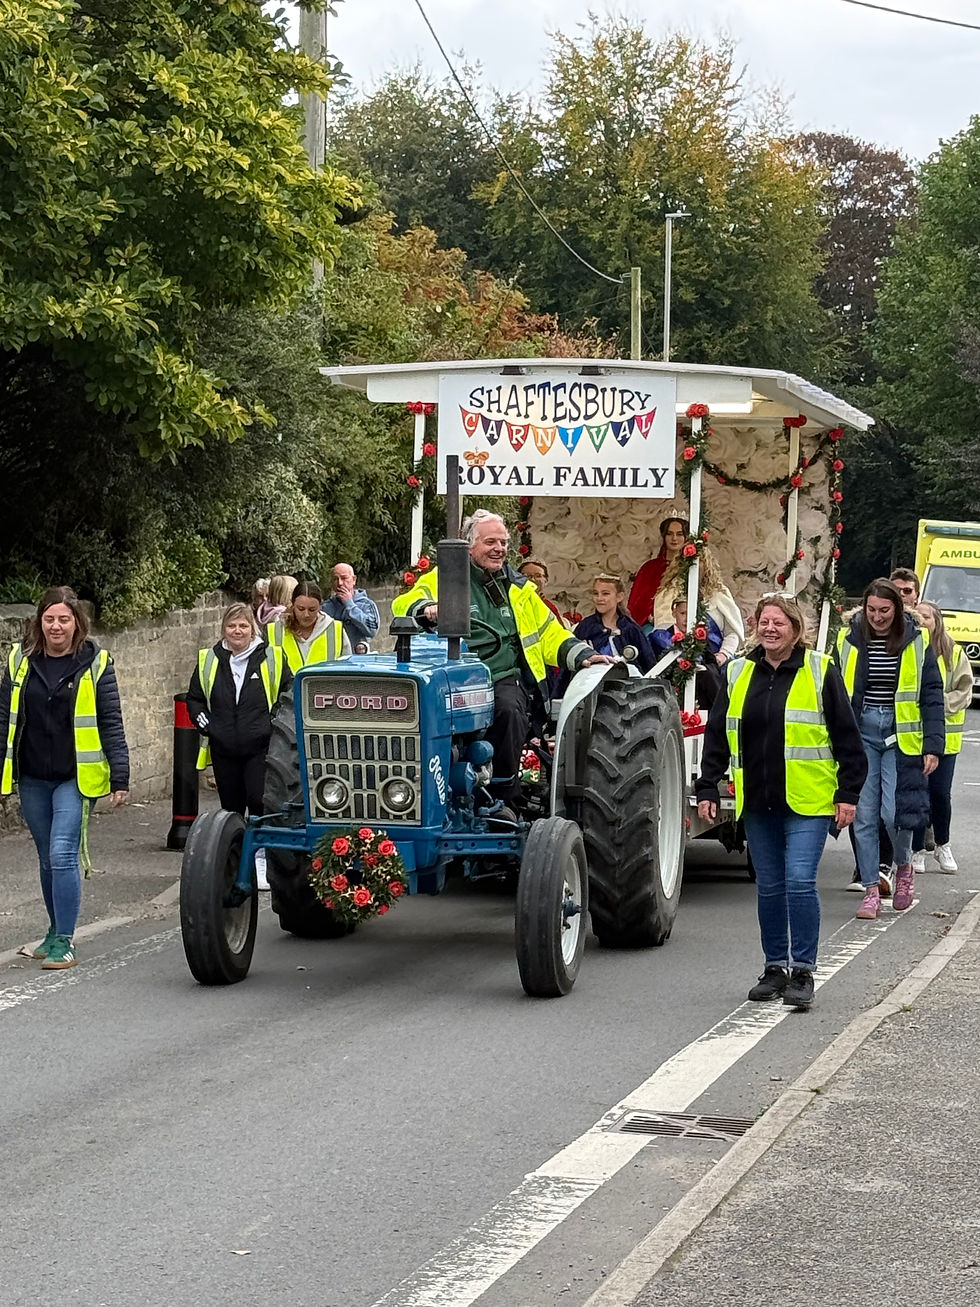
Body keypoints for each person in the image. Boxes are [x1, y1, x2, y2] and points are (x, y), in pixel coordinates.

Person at [696, 594, 866, 1009]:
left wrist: (848, 794)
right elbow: (718, 732)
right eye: (764, 622)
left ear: (795, 629)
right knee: (770, 887)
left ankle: (803, 971)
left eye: (779, 623)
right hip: (758, 799)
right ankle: (775, 968)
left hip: (808, 801)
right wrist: (707, 785)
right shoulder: (738, 671)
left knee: (800, 881)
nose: (770, 629)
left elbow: (847, 736)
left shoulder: (819, 669)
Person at [393, 510, 613, 818]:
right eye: (490, 542)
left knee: (508, 709)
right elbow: (403, 604)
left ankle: (503, 796)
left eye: (503, 542)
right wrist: (427, 608)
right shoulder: (444, 580)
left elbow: (549, 632)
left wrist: (579, 654)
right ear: (469, 546)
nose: (499, 548)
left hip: (501, 675)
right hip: (456, 677)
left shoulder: (519, 589)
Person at [0, 586, 129, 970]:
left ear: (77, 623)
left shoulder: (97, 662)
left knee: (61, 853)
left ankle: (65, 941)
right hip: (32, 776)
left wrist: (120, 776)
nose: (56, 626)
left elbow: (111, 721)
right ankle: (54, 931)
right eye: (49, 619)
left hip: (75, 778)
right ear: (39, 622)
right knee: (46, 858)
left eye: (64, 619)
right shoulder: (19, 660)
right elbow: (3, 719)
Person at [834, 578, 945, 919]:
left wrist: (933, 745)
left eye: (884, 610)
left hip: (900, 736)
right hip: (861, 733)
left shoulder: (917, 639)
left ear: (897, 609)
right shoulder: (847, 638)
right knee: (864, 816)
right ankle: (871, 888)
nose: (877, 617)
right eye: (871, 610)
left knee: (894, 814)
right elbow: (834, 691)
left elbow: (931, 693)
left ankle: (904, 865)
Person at [187, 603, 292, 887]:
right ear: (224, 629)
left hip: (261, 746)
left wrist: (272, 724)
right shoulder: (209, 659)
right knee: (230, 809)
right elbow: (194, 698)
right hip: (224, 747)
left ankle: (261, 860)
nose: (237, 631)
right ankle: (233, 862)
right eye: (231, 625)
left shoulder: (272, 657)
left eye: (243, 626)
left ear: (252, 629)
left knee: (258, 801)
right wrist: (207, 725)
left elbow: (287, 694)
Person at [911, 602, 971, 873]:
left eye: (927, 617)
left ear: (937, 621)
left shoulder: (953, 652)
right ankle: (917, 849)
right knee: (917, 795)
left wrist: (937, 703)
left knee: (939, 794)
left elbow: (964, 690)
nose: (923, 621)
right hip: (915, 736)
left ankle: (942, 844)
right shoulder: (910, 649)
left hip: (946, 739)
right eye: (919, 617)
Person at [654, 545, 744, 662]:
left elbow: (731, 632)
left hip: (718, 660)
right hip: (677, 661)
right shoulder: (667, 593)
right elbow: (662, 635)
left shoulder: (719, 593)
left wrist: (723, 655)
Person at [650, 596, 723, 706]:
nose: (686, 618)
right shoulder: (661, 638)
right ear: (674, 613)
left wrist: (705, 669)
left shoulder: (701, 638)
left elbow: (713, 665)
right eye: (683, 613)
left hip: (701, 691)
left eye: (691, 614)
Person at [575, 574, 655, 672]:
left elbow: (648, 665)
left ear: (619, 597)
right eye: (596, 593)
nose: (599, 598)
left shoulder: (631, 629)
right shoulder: (586, 627)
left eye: (605, 593)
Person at [266, 580, 350, 673]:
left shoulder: (335, 630)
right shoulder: (274, 630)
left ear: (320, 606)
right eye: (301, 609)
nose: (306, 614)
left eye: (312, 609)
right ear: (292, 604)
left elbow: (347, 668)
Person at [628, 516, 689, 627]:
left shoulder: (691, 567)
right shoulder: (650, 568)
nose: (674, 538)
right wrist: (648, 616)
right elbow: (638, 603)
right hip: (653, 625)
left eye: (679, 534)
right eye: (669, 534)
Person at [321, 562, 380, 654]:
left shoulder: (366, 604)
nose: (340, 583)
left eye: (344, 578)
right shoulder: (326, 607)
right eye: (336, 579)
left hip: (357, 658)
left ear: (353, 580)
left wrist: (350, 605)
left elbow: (372, 630)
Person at [518, 558, 568, 626]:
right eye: (527, 576)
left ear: (546, 580)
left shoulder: (549, 606)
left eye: (538, 576)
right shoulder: (513, 602)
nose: (532, 579)